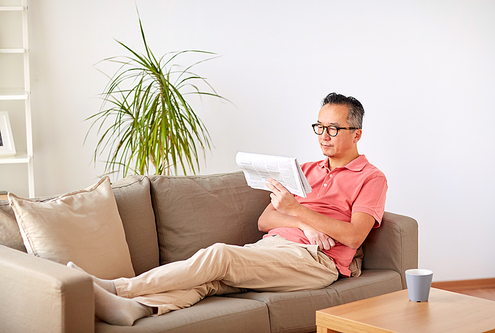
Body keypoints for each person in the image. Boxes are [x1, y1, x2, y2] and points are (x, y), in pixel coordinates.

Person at [69, 92, 388, 326]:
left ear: (356, 134)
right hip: (275, 247)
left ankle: (118, 287)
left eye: (333, 128)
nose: (323, 136)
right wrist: (306, 224)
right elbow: (266, 219)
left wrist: (298, 212)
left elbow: (355, 235)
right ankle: (137, 309)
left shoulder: (372, 178)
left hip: (316, 261)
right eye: (319, 127)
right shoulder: (305, 169)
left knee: (220, 256)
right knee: (210, 281)